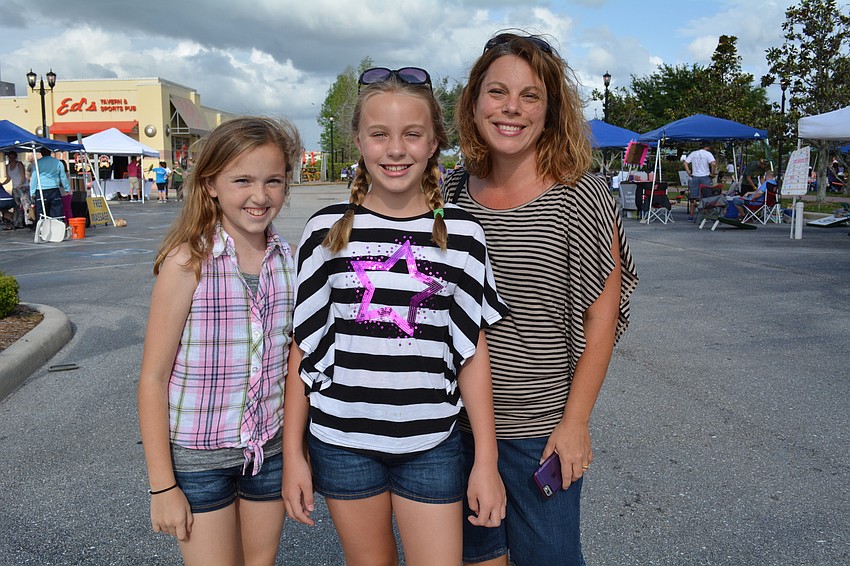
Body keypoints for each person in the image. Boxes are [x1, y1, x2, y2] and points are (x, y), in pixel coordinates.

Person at [283, 66, 508, 566]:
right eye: (379, 134)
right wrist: (293, 457)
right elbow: (305, 347)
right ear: (359, 142)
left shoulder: (463, 237)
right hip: (341, 442)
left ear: (434, 144)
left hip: (431, 442)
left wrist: (486, 462)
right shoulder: (325, 231)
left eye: (412, 134)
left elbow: (473, 353)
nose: (396, 149)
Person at [444, 32, 638, 566]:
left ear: (550, 109)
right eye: (497, 92)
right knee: (477, 557)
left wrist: (576, 423)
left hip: (538, 432)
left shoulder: (580, 194)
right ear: (474, 101)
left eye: (530, 96)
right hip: (453, 428)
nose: (511, 108)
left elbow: (603, 315)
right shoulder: (452, 194)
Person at [137, 116, 302, 566]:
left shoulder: (290, 263)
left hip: (266, 452)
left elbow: (294, 368)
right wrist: (162, 485)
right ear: (211, 184)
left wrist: (295, 452)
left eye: (273, 181)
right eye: (242, 180)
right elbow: (152, 378)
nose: (259, 195)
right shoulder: (187, 261)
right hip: (200, 457)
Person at [30, 147, 69, 221]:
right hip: (54, 189)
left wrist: (32, 192)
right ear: (50, 153)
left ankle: (42, 228)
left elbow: (34, 178)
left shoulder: (38, 163)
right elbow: (63, 177)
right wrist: (67, 188)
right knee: (56, 211)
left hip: (41, 190)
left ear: (41, 153)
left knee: (41, 213)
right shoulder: (58, 162)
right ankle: (57, 228)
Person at [684, 143, 716, 221]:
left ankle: (691, 216)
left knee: (693, 197)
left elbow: (685, 163)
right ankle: (707, 215)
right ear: (707, 146)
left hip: (695, 176)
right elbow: (713, 164)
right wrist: (712, 173)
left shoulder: (693, 153)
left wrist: (689, 172)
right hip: (705, 177)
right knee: (707, 196)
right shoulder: (708, 154)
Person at [1, 152, 31, 228]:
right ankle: (18, 222)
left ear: (15, 157)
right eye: (10, 157)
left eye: (13, 157)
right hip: (15, 187)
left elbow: (23, 177)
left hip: (23, 187)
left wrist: (20, 185)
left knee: (26, 205)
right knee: (16, 206)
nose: (11, 159)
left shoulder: (19, 164)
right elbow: (8, 178)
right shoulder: (7, 166)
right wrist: (2, 183)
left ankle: (28, 221)